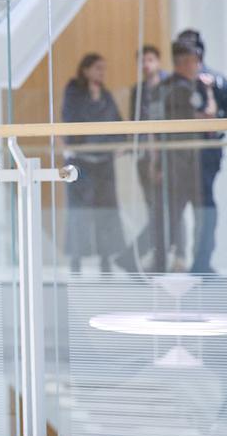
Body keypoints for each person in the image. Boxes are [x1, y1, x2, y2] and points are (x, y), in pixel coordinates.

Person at [175, 29, 227, 275]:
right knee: (174, 211)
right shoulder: (174, 82)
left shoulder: (215, 80)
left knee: (205, 210)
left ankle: (201, 263)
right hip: (178, 159)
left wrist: (213, 131)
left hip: (206, 157)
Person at [61, 53, 127, 273]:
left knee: (107, 211)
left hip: (104, 162)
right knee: (79, 212)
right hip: (81, 162)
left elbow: (118, 123)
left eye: (103, 68)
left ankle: (106, 258)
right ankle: (76, 259)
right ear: (86, 69)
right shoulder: (73, 92)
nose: (101, 72)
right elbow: (71, 122)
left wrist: (119, 144)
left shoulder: (106, 95)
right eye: (98, 68)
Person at [158, 41, 214, 273]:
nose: (199, 65)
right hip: (181, 165)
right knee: (191, 214)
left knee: (179, 215)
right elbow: (207, 118)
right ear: (184, 62)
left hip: (182, 164)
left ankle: (182, 261)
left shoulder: (178, 86)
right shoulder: (179, 88)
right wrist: (210, 92)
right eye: (195, 60)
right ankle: (183, 262)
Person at [127, 45, 169, 271]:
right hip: (144, 156)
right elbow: (134, 122)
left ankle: (159, 259)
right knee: (153, 208)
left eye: (150, 59)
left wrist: (159, 160)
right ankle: (157, 259)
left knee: (166, 211)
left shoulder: (169, 86)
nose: (146, 65)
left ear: (159, 61)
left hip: (167, 157)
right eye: (142, 61)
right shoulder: (138, 90)